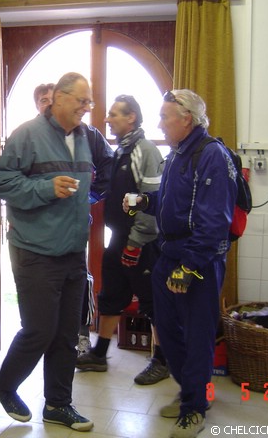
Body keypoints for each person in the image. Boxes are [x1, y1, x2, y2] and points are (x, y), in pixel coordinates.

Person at [126, 89, 237, 438]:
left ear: (186, 118)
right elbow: (172, 201)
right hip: (168, 255)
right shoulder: (176, 154)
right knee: (167, 331)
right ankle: (191, 391)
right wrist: (145, 201)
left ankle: (194, 409)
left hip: (197, 261)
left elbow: (214, 219)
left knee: (197, 335)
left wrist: (189, 267)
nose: (160, 123)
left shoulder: (212, 155)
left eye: (165, 116)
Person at [0, 72, 97, 432]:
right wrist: (46, 188)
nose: (86, 107)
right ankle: (6, 384)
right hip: (35, 251)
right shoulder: (27, 135)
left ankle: (58, 405)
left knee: (67, 334)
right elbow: (1, 181)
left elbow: (94, 181)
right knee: (40, 330)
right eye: (81, 100)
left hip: (73, 251)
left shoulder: (84, 137)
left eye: (89, 101)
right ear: (59, 98)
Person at [76, 94, 169, 385]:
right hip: (119, 238)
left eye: (114, 114)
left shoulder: (145, 150)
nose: (107, 119)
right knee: (111, 296)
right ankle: (99, 354)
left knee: (152, 301)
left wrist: (135, 243)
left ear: (131, 117)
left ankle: (162, 361)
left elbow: (153, 201)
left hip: (141, 242)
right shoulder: (121, 151)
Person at [32, 82, 114, 354]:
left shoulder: (87, 134)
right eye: (43, 100)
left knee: (76, 280)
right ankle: (42, 336)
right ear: (37, 106)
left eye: (51, 98)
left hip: (74, 226)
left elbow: (110, 164)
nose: (48, 104)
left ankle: (80, 334)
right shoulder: (29, 137)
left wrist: (90, 196)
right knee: (42, 283)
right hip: (39, 228)